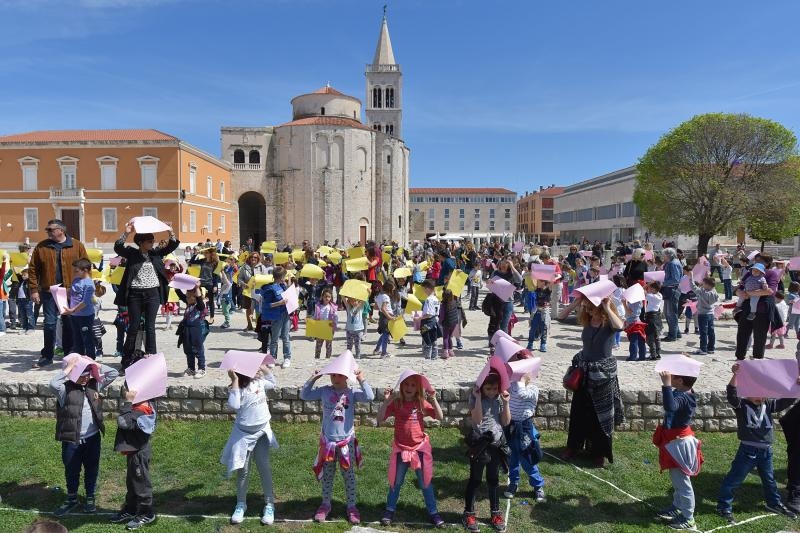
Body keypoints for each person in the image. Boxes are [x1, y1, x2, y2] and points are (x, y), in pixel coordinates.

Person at [714, 362, 798, 524]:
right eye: (755, 392)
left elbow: (785, 402)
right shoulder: (742, 405)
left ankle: (773, 503)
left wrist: (795, 387)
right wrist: (736, 375)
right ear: (746, 392)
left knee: (770, 480)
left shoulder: (769, 404)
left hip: (766, 452)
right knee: (734, 479)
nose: (760, 396)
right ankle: (724, 506)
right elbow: (732, 395)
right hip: (748, 451)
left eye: (762, 392)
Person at [300, 362, 374, 525]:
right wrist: (313, 378)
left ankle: (352, 506)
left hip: (346, 444)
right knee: (328, 476)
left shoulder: (352, 392)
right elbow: (304, 395)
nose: (335, 378)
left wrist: (362, 379)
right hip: (328, 444)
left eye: (339, 375)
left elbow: (370, 396)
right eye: (333, 375)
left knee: (349, 476)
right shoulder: (325, 391)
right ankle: (325, 504)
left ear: (347, 376)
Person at [558, 293, 625, 466]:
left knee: (600, 414)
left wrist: (607, 306)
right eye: (586, 306)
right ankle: (573, 446)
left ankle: (599, 452)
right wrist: (575, 303)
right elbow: (560, 316)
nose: (586, 309)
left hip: (602, 375)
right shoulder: (586, 321)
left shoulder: (608, 323)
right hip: (584, 372)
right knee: (579, 411)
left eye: (590, 306)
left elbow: (620, 326)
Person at [49, 354, 119, 516]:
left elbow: (113, 373)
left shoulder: (94, 385)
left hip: (92, 438)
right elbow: (53, 384)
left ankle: (90, 497)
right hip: (72, 440)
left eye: (87, 373)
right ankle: (72, 498)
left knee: (91, 468)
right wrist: (68, 369)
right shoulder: (64, 389)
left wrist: (95, 364)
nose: (85, 377)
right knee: (71, 469)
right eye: (81, 373)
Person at [377, 371, 445, 528]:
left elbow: (440, 416)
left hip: (419, 450)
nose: (409, 387)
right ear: (401, 386)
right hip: (401, 449)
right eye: (406, 384)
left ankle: (433, 512)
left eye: (413, 385)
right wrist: (386, 402)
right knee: (396, 481)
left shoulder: (421, 403)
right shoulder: (396, 403)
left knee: (425, 482)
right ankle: (389, 510)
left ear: (418, 388)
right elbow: (380, 418)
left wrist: (433, 400)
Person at [114, 224, 179, 368]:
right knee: (133, 327)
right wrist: (126, 233)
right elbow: (118, 247)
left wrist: (171, 232)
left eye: (153, 241)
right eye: (150, 241)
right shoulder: (132, 254)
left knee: (150, 326)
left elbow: (172, 245)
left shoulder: (155, 254)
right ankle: (126, 360)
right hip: (135, 295)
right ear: (141, 243)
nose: (153, 243)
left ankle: (152, 358)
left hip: (152, 294)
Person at [221, 364, 278, 525]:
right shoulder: (237, 388)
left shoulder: (260, 382)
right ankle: (241, 504)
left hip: (261, 433)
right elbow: (234, 404)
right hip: (243, 436)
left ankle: (269, 504)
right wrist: (235, 380)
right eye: (254, 368)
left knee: (264, 467)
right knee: (243, 470)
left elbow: (273, 382)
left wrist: (264, 368)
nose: (258, 370)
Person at [29, 219, 89, 368]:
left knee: (69, 323)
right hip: (49, 291)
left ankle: (69, 354)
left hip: (70, 292)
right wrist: (34, 290)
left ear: (61, 230)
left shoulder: (77, 246)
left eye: (50, 229)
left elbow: (86, 266)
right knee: (49, 324)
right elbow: (33, 269)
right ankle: (47, 355)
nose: (48, 232)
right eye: (47, 230)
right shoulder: (42, 247)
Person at [653, 368, 702, 531]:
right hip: (675, 441)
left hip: (679, 444)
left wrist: (666, 385)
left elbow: (670, 407)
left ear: (680, 381)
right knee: (677, 480)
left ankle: (689, 519)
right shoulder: (683, 390)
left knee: (682, 483)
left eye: (674, 375)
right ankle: (677, 506)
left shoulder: (684, 398)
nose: (670, 376)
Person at [463, 371, 511, 533]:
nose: (491, 392)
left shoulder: (498, 399)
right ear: (482, 387)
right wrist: (477, 398)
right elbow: (477, 420)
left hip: (496, 444)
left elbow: (505, 421)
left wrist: (506, 403)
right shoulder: (475, 398)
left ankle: (495, 513)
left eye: (494, 388)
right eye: (488, 388)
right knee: (475, 480)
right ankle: (469, 513)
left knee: (493, 479)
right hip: (480, 444)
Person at [110, 386, 158, 530]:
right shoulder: (147, 403)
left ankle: (146, 513)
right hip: (134, 450)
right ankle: (130, 509)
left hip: (138, 452)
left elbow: (123, 422)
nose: (126, 391)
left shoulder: (141, 410)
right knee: (132, 482)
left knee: (141, 484)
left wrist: (127, 402)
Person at [504, 360, 545, 503]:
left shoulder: (533, 389)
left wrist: (522, 380)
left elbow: (522, 394)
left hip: (525, 427)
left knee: (527, 457)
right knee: (513, 457)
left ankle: (538, 485)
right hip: (511, 425)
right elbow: (504, 387)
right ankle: (513, 483)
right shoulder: (512, 385)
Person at [734, 254, 780, 360]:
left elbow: (769, 291)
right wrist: (739, 292)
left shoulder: (771, 274)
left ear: (767, 263)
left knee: (759, 336)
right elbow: (739, 287)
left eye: (759, 260)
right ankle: (739, 357)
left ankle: (758, 360)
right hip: (746, 308)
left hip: (762, 310)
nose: (756, 262)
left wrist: (749, 293)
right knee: (742, 333)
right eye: (756, 260)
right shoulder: (751, 272)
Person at [60, 259, 97, 358]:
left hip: (85, 316)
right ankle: (79, 359)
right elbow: (71, 295)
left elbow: (85, 302)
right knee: (77, 339)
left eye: (76, 271)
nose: (74, 273)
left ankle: (90, 359)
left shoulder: (89, 284)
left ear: (85, 270)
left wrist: (72, 310)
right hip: (74, 315)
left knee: (87, 338)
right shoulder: (76, 280)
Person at [258, 266, 292, 369]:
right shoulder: (270, 289)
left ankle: (287, 358)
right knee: (275, 338)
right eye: (284, 276)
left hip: (285, 314)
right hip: (276, 316)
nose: (285, 278)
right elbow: (267, 305)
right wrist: (280, 303)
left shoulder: (283, 285)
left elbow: (288, 294)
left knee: (286, 337)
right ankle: (272, 358)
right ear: (281, 276)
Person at [178, 284, 208, 379]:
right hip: (187, 329)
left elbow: (199, 299)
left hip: (196, 330)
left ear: (195, 297)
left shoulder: (199, 306)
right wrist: (174, 285)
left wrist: (196, 287)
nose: (186, 298)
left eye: (188, 297)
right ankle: (191, 368)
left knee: (198, 349)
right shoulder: (188, 304)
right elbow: (179, 294)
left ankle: (201, 369)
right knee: (188, 349)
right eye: (186, 296)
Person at [488, 259, 523, 333]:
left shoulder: (512, 274)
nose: (504, 265)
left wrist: (513, 267)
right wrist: (489, 282)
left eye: (506, 264)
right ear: (499, 264)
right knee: (496, 323)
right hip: (496, 301)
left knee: (504, 324)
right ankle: (496, 340)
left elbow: (520, 280)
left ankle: (504, 341)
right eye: (502, 263)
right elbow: (490, 283)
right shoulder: (495, 273)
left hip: (508, 302)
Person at [237, 252, 267, 331]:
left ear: (258, 259)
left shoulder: (262, 267)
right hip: (248, 291)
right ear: (249, 258)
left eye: (255, 257)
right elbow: (239, 279)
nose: (253, 259)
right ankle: (249, 325)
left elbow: (266, 279)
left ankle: (258, 325)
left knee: (259, 309)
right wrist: (243, 284)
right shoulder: (244, 267)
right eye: (252, 257)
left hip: (258, 291)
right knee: (249, 308)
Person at [660, 248, 683, 342]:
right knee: (668, 313)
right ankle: (676, 333)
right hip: (669, 290)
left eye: (664, 255)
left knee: (671, 314)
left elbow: (676, 279)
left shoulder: (673, 264)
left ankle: (672, 335)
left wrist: (662, 283)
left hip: (672, 290)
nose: (663, 257)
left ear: (668, 255)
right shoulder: (671, 263)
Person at [692, 276, 719, 355]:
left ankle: (703, 349)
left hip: (703, 314)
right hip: (710, 314)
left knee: (703, 332)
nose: (702, 285)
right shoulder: (714, 291)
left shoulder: (703, 292)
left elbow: (694, 288)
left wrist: (691, 279)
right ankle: (711, 348)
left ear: (707, 285)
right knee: (711, 332)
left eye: (703, 284)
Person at [526, 280, 551, 353]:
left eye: (539, 281)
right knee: (533, 328)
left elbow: (551, 283)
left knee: (544, 328)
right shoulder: (537, 289)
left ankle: (543, 344)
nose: (537, 282)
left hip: (544, 312)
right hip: (536, 311)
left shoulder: (548, 290)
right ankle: (530, 343)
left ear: (543, 282)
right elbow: (533, 282)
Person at [374, 280, 397, 358]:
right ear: (389, 289)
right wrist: (390, 317)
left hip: (382, 317)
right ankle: (383, 353)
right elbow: (384, 309)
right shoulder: (386, 297)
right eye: (392, 289)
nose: (393, 291)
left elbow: (376, 307)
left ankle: (377, 349)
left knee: (384, 334)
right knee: (386, 335)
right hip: (386, 317)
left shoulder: (379, 295)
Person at [419, 280, 441, 360]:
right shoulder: (436, 299)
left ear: (428, 288)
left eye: (424, 289)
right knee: (434, 340)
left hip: (428, 322)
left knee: (426, 337)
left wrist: (418, 318)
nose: (424, 291)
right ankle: (434, 356)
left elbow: (428, 314)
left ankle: (427, 356)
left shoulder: (428, 300)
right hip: (435, 322)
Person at [314, 288, 338, 359]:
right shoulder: (318, 306)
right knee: (318, 345)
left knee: (328, 345)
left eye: (329, 297)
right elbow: (315, 316)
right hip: (320, 328)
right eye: (325, 296)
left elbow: (336, 317)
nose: (327, 298)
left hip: (329, 328)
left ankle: (328, 358)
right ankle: (317, 358)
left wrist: (334, 325)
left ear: (331, 298)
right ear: (322, 297)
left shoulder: (333, 307)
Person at [644, 281, 663, 360]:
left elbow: (643, 290)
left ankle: (653, 354)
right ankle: (658, 353)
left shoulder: (651, 296)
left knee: (650, 337)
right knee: (656, 336)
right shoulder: (660, 295)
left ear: (654, 289)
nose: (649, 289)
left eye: (651, 288)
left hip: (650, 317)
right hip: (657, 316)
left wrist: (647, 284)